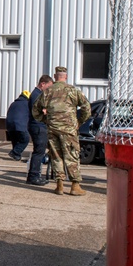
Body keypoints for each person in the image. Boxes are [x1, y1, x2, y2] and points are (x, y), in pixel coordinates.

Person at [33, 67, 90, 196]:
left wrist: (45, 120)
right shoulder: (72, 90)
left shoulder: (48, 91)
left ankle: (59, 185)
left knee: (56, 155)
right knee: (71, 154)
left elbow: (35, 109)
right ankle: (75, 185)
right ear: (66, 76)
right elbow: (86, 107)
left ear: (55, 76)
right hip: (69, 128)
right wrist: (79, 122)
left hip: (53, 127)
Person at [26, 74, 54, 186]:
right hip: (38, 126)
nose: (49, 90)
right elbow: (42, 112)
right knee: (39, 151)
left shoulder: (37, 94)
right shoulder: (37, 95)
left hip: (38, 126)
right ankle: (33, 176)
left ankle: (34, 175)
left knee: (39, 151)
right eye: (48, 87)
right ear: (43, 84)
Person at [5, 90, 30, 160]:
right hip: (20, 125)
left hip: (9, 125)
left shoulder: (13, 103)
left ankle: (16, 156)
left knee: (15, 141)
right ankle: (15, 152)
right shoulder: (27, 104)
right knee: (25, 139)